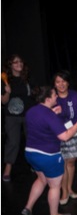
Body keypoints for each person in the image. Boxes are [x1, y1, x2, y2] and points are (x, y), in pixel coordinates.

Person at [21, 86, 77, 215]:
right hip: (48, 156)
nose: (57, 97)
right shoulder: (49, 115)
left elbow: (41, 121)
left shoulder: (31, 111)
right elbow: (64, 136)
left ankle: (28, 207)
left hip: (30, 153)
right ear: (47, 99)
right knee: (55, 186)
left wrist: (52, 113)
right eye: (54, 95)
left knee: (41, 179)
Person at [53, 70, 77, 205]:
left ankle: (69, 189)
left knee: (71, 162)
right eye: (58, 82)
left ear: (68, 82)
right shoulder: (52, 98)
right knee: (63, 163)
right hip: (60, 136)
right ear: (54, 84)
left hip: (75, 133)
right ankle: (64, 192)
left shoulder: (76, 95)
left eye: (63, 81)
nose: (61, 84)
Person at [1, 54, 35, 182]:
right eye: (15, 62)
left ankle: (34, 165)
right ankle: (7, 168)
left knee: (31, 140)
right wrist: (7, 92)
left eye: (20, 62)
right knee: (13, 141)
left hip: (28, 114)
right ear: (10, 65)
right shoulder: (4, 80)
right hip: (12, 116)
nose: (19, 64)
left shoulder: (27, 78)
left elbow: (34, 95)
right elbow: (3, 102)